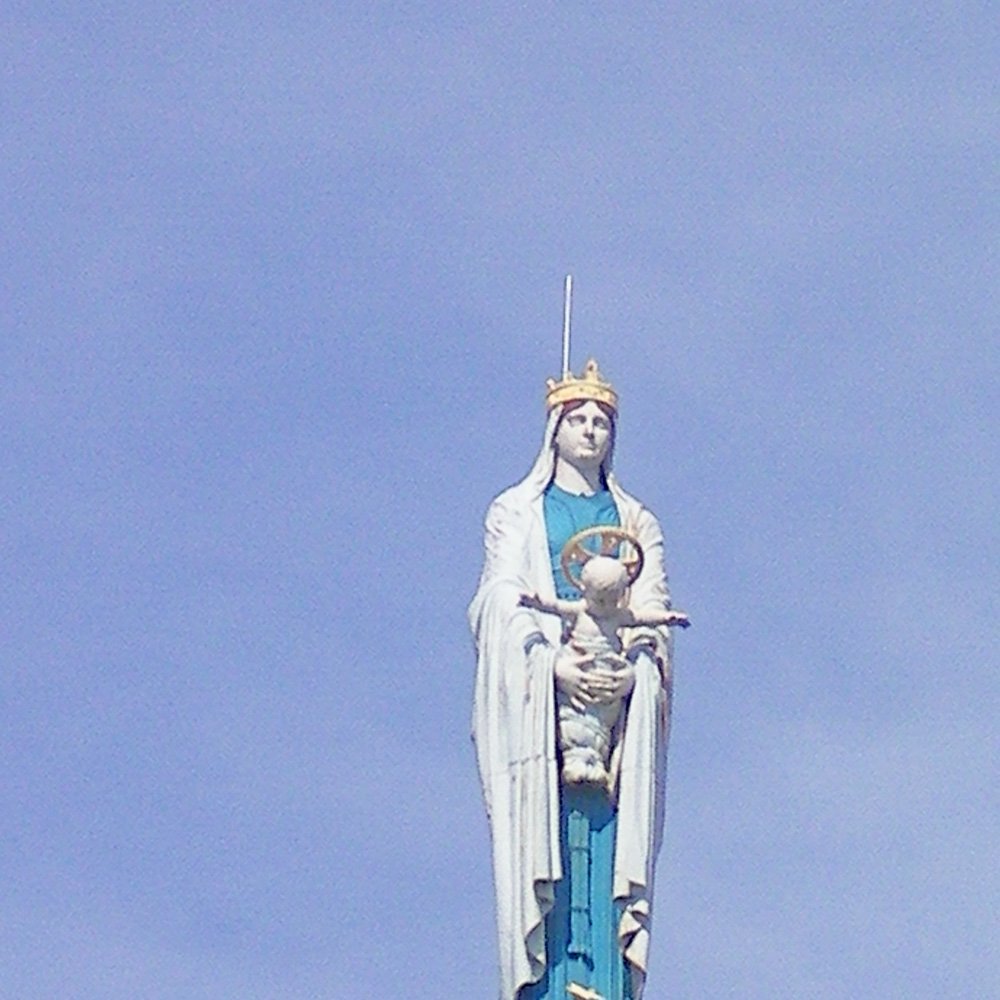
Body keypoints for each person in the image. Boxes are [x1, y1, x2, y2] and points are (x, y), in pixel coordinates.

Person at [470, 360, 683, 1000]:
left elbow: (655, 616)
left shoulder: (636, 521)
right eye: (580, 420)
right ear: (555, 430)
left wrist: (633, 671)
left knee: (607, 849)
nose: (591, 432)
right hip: (547, 709)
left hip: (616, 718)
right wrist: (549, 662)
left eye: (602, 422)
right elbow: (497, 603)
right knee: (548, 847)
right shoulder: (517, 511)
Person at [520, 547, 689, 791]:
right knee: (575, 717)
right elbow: (553, 606)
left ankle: (596, 761)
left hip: (609, 673)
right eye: (600, 600)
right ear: (584, 590)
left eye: (612, 600)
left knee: (602, 718)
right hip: (578, 666)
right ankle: (575, 759)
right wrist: (534, 602)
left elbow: (642, 618)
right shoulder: (580, 611)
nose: (605, 606)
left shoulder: (617, 616)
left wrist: (668, 618)